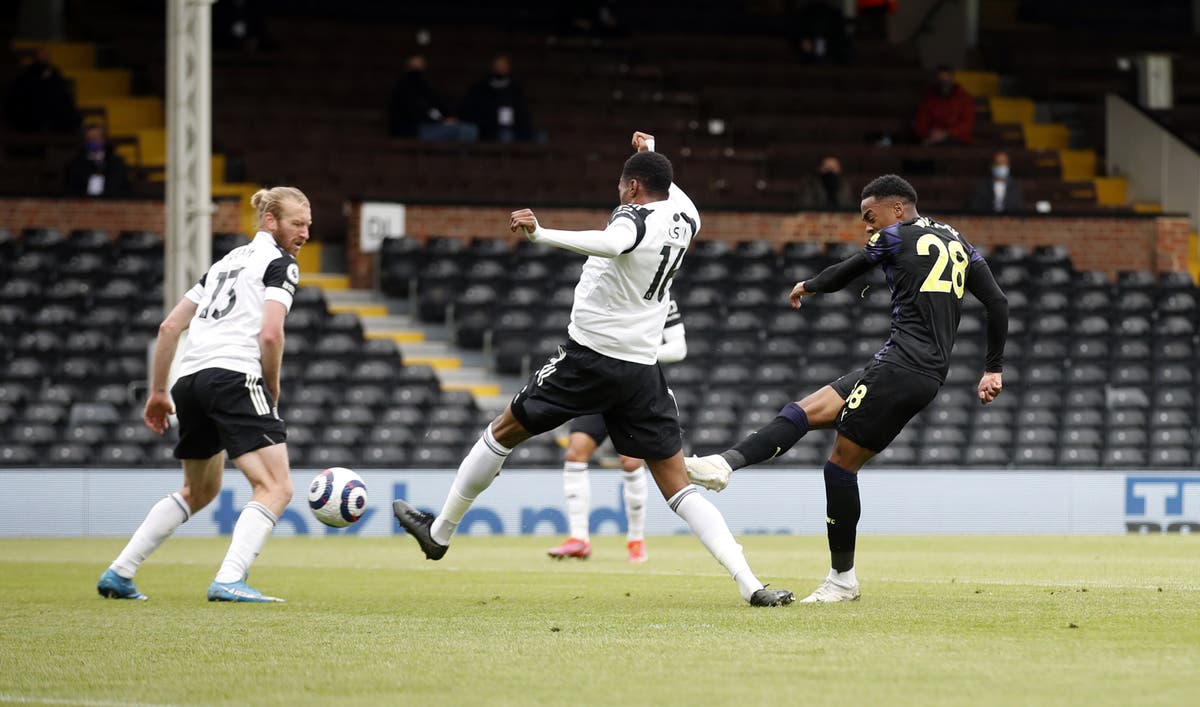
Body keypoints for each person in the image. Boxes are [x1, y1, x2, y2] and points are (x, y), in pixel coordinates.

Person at [394, 131, 795, 607]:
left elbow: (612, 242)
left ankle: (439, 533)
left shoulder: (632, 218)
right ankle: (751, 584)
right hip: (641, 370)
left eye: (621, 185)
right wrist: (649, 151)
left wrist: (541, 234)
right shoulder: (687, 213)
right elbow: (661, 186)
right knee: (677, 487)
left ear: (632, 189)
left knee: (502, 431)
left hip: (590, 359)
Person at [685, 174, 1008, 603]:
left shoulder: (895, 235)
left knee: (839, 468)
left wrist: (809, 285)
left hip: (901, 369)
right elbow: (998, 302)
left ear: (896, 209)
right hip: (910, 369)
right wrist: (993, 369)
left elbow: (850, 270)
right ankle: (725, 464)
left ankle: (842, 580)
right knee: (804, 410)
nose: (868, 227)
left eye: (870, 217)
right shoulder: (957, 240)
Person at [97, 186, 310, 603]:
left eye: (307, 225)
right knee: (276, 487)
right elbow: (270, 333)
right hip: (235, 377)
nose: (304, 233)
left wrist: (158, 392)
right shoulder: (280, 264)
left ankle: (120, 572)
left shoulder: (222, 264)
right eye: (297, 224)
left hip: (190, 380)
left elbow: (169, 328)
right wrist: (272, 386)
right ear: (271, 222)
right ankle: (230, 578)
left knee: (200, 491)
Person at [546, 298, 687, 563]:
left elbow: (679, 348)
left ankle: (635, 539)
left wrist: (633, 356)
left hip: (636, 388)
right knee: (575, 452)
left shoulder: (661, 297)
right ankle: (579, 538)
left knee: (630, 460)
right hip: (600, 384)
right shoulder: (609, 291)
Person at [387, 54, 476, 142]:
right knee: (466, 130)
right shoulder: (405, 87)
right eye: (415, 65)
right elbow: (422, 110)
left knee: (469, 129)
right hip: (414, 130)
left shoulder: (423, 85)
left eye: (420, 64)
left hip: (425, 126)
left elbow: (433, 107)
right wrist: (441, 120)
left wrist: (444, 118)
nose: (418, 67)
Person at [458, 53, 535, 143]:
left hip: (514, 129)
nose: (501, 68)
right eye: (498, 65)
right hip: (488, 130)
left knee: (539, 137)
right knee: (505, 136)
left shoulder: (515, 89)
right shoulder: (481, 87)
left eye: (503, 65)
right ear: (492, 67)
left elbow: (523, 114)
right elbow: (472, 110)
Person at [4, 46, 78, 133]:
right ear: (36, 56)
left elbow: (61, 89)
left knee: (68, 112)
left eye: (47, 55)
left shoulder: (54, 71)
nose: (45, 57)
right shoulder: (28, 72)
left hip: (53, 107)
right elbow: (23, 90)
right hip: (33, 107)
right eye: (42, 54)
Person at [63, 123, 132, 197]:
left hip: (112, 202)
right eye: (90, 139)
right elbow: (72, 188)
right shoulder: (75, 163)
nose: (93, 142)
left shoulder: (116, 162)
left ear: (103, 139)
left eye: (96, 138)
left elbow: (121, 185)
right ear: (85, 141)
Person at [913, 65, 975, 146]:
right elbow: (921, 123)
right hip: (934, 139)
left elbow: (967, 124)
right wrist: (930, 133)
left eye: (947, 78)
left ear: (952, 78)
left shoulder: (963, 98)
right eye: (941, 79)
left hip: (958, 139)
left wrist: (948, 133)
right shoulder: (929, 99)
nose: (944, 82)